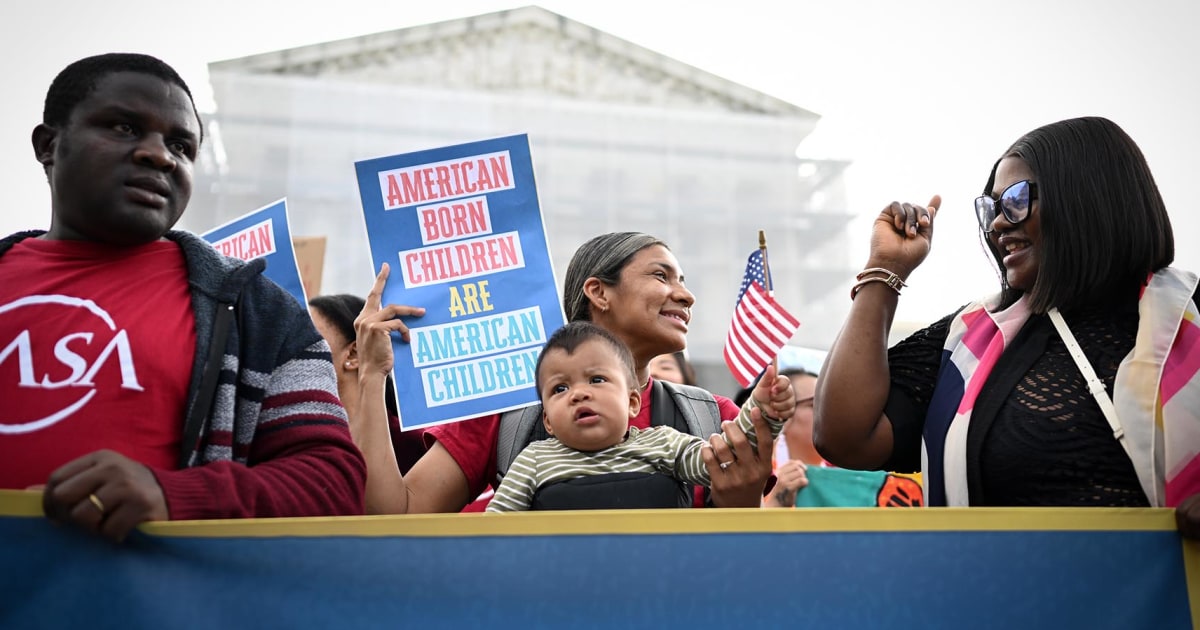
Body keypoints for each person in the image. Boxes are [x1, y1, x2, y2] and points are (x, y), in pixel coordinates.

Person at [0, 53, 365, 542]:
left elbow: (331, 481)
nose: (159, 155)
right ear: (48, 145)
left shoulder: (258, 311)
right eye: (125, 128)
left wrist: (176, 496)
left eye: (180, 145)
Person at [813, 116, 1200, 537]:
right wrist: (885, 271)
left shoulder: (1187, 314)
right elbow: (841, 433)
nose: (997, 223)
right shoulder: (968, 341)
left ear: (1087, 196)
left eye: (1015, 200)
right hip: (1000, 600)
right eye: (991, 208)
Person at [352, 232, 796, 513]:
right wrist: (371, 376)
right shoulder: (508, 414)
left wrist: (743, 488)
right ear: (598, 292)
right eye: (662, 276)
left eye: (682, 280)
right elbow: (396, 518)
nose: (686, 295)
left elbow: (733, 552)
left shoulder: (710, 416)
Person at [487, 322, 786, 511]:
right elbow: (496, 533)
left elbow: (725, 458)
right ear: (548, 422)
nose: (578, 394)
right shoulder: (534, 460)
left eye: (596, 380)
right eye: (560, 388)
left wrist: (762, 410)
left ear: (632, 401)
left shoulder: (664, 443)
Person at [309, 294, 428, 475]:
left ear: (353, 354)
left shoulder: (415, 445)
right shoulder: (297, 439)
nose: (293, 347)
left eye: (309, 338)